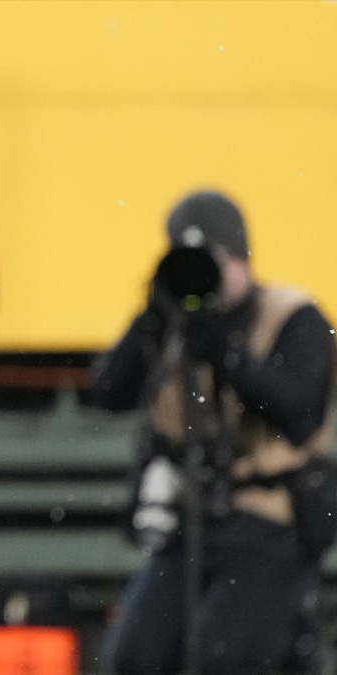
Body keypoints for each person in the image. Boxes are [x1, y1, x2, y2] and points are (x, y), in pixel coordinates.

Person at [91, 190, 336, 674]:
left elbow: (299, 413)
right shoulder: (173, 322)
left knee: (222, 659)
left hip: (272, 522)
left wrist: (228, 352)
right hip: (192, 520)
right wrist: (155, 317)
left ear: (243, 259)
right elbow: (107, 391)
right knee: (134, 658)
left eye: (215, 261)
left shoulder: (294, 316)